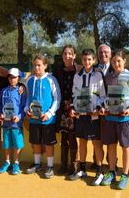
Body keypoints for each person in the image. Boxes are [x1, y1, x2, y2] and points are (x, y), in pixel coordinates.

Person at [100, 49, 129, 190]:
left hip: (125, 119)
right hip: (110, 118)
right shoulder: (108, 77)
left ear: (124, 61)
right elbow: (104, 96)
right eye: (114, 61)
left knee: (126, 147)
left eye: (119, 61)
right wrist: (104, 107)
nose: (116, 63)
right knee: (111, 146)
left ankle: (124, 175)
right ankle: (112, 171)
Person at [68, 49, 106, 186]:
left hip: (93, 116)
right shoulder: (77, 76)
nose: (87, 62)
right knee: (82, 142)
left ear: (94, 60)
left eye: (89, 59)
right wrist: (72, 108)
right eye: (84, 59)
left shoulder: (98, 75)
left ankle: (100, 171)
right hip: (80, 115)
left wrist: (98, 108)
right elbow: (74, 94)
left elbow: (102, 95)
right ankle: (82, 169)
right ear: (81, 60)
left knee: (96, 143)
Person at [25, 55, 61, 179]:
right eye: (35, 65)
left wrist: (49, 114)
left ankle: (50, 166)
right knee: (36, 142)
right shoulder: (29, 80)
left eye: (39, 65)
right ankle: (37, 163)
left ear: (45, 65)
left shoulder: (51, 79)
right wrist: (26, 110)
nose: (36, 67)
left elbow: (57, 99)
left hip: (48, 119)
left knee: (48, 143)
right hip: (33, 118)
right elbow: (27, 98)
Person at [53, 45, 82, 176]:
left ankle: (74, 165)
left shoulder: (80, 70)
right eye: (65, 53)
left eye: (70, 53)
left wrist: (74, 105)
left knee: (72, 137)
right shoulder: (57, 70)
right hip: (62, 109)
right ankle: (63, 165)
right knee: (64, 137)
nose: (67, 56)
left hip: (74, 109)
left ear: (74, 55)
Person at [0, 68, 27, 175]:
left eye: (14, 77)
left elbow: (24, 107)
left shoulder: (21, 91)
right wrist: (0, 114)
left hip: (16, 124)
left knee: (17, 145)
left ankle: (16, 163)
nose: (12, 79)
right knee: (6, 144)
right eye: (10, 77)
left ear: (18, 78)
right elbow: (0, 106)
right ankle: (7, 162)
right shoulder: (3, 91)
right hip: (5, 123)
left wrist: (19, 116)